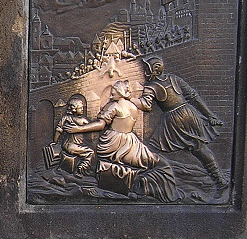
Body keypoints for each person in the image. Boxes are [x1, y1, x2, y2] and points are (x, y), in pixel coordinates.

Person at [66, 80, 179, 202]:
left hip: (113, 143)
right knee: (158, 163)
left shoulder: (114, 105)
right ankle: (148, 186)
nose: (110, 96)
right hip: (131, 142)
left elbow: (100, 125)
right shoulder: (133, 106)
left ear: (119, 92)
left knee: (153, 163)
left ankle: (136, 184)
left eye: (113, 93)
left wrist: (79, 129)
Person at [134, 56, 228, 191]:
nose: (145, 73)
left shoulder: (151, 87)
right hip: (189, 113)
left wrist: (128, 98)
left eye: (147, 69)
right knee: (199, 148)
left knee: (154, 148)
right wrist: (209, 115)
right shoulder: (174, 79)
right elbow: (194, 97)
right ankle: (219, 179)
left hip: (174, 119)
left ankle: (153, 180)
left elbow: (146, 106)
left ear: (155, 70)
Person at [53, 94, 95, 176]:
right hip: (73, 146)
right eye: (80, 108)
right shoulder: (83, 121)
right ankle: (81, 170)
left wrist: (55, 142)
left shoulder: (65, 118)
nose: (82, 109)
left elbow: (58, 130)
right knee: (90, 152)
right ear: (74, 109)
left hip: (65, 145)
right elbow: (91, 134)